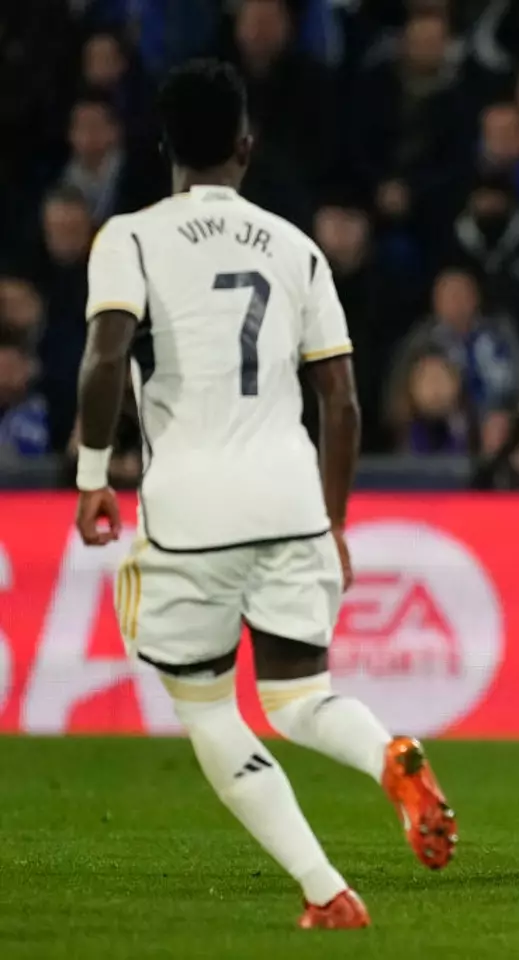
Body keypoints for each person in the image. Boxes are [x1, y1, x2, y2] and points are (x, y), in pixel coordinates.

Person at [73, 60, 456, 929]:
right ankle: (390, 753)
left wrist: (94, 477)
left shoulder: (129, 237)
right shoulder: (296, 245)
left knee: (209, 708)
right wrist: (333, 522)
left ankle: (328, 890)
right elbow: (343, 401)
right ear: (247, 147)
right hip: (290, 499)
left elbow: (104, 357)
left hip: (190, 511)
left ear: (164, 144)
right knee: (299, 698)